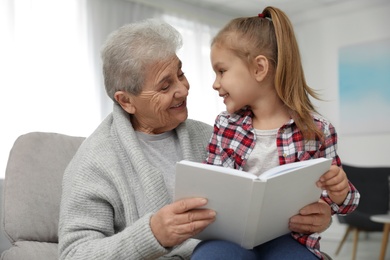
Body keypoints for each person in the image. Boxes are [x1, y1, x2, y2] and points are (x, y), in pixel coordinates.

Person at [58, 18, 335, 260]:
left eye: (181, 73)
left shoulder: (216, 134)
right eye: (165, 86)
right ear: (126, 101)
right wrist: (152, 234)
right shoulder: (94, 163)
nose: (183, 89)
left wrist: (315, 216)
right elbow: (74, 254)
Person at [193, 6, 360, 260]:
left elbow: (342, 202)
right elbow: (214, 190)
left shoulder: (318, 130)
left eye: (222, 71)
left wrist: (338, 193)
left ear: (259, 68)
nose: (215, 83)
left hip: (290, 238)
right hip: (231, 238)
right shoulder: (225, 125)